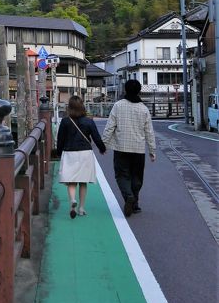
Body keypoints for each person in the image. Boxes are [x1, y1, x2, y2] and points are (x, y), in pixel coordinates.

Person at [102, 79, 156, 217]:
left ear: (125, 90)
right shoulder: (144, 109)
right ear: (139, 91)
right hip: (138, 150)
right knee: (136, 177)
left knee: (122, 175)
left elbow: (110, 127)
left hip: (121, 148)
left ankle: (128, 197)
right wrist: (152, 150)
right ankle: (135, 204)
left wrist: (104, 144)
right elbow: (149, 131)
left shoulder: (118, 106)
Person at [56, 95, 106, 218]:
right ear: (82, 106)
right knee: (83, 182)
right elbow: (96, 137)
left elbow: (60, 139)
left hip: (70, 153)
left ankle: (73, 200)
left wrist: (58, 152)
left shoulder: (65, 121)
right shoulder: (89, 121)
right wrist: (102, 148)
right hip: (85, 153)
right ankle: (82, 208)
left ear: (70, 107)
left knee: (71, 181)